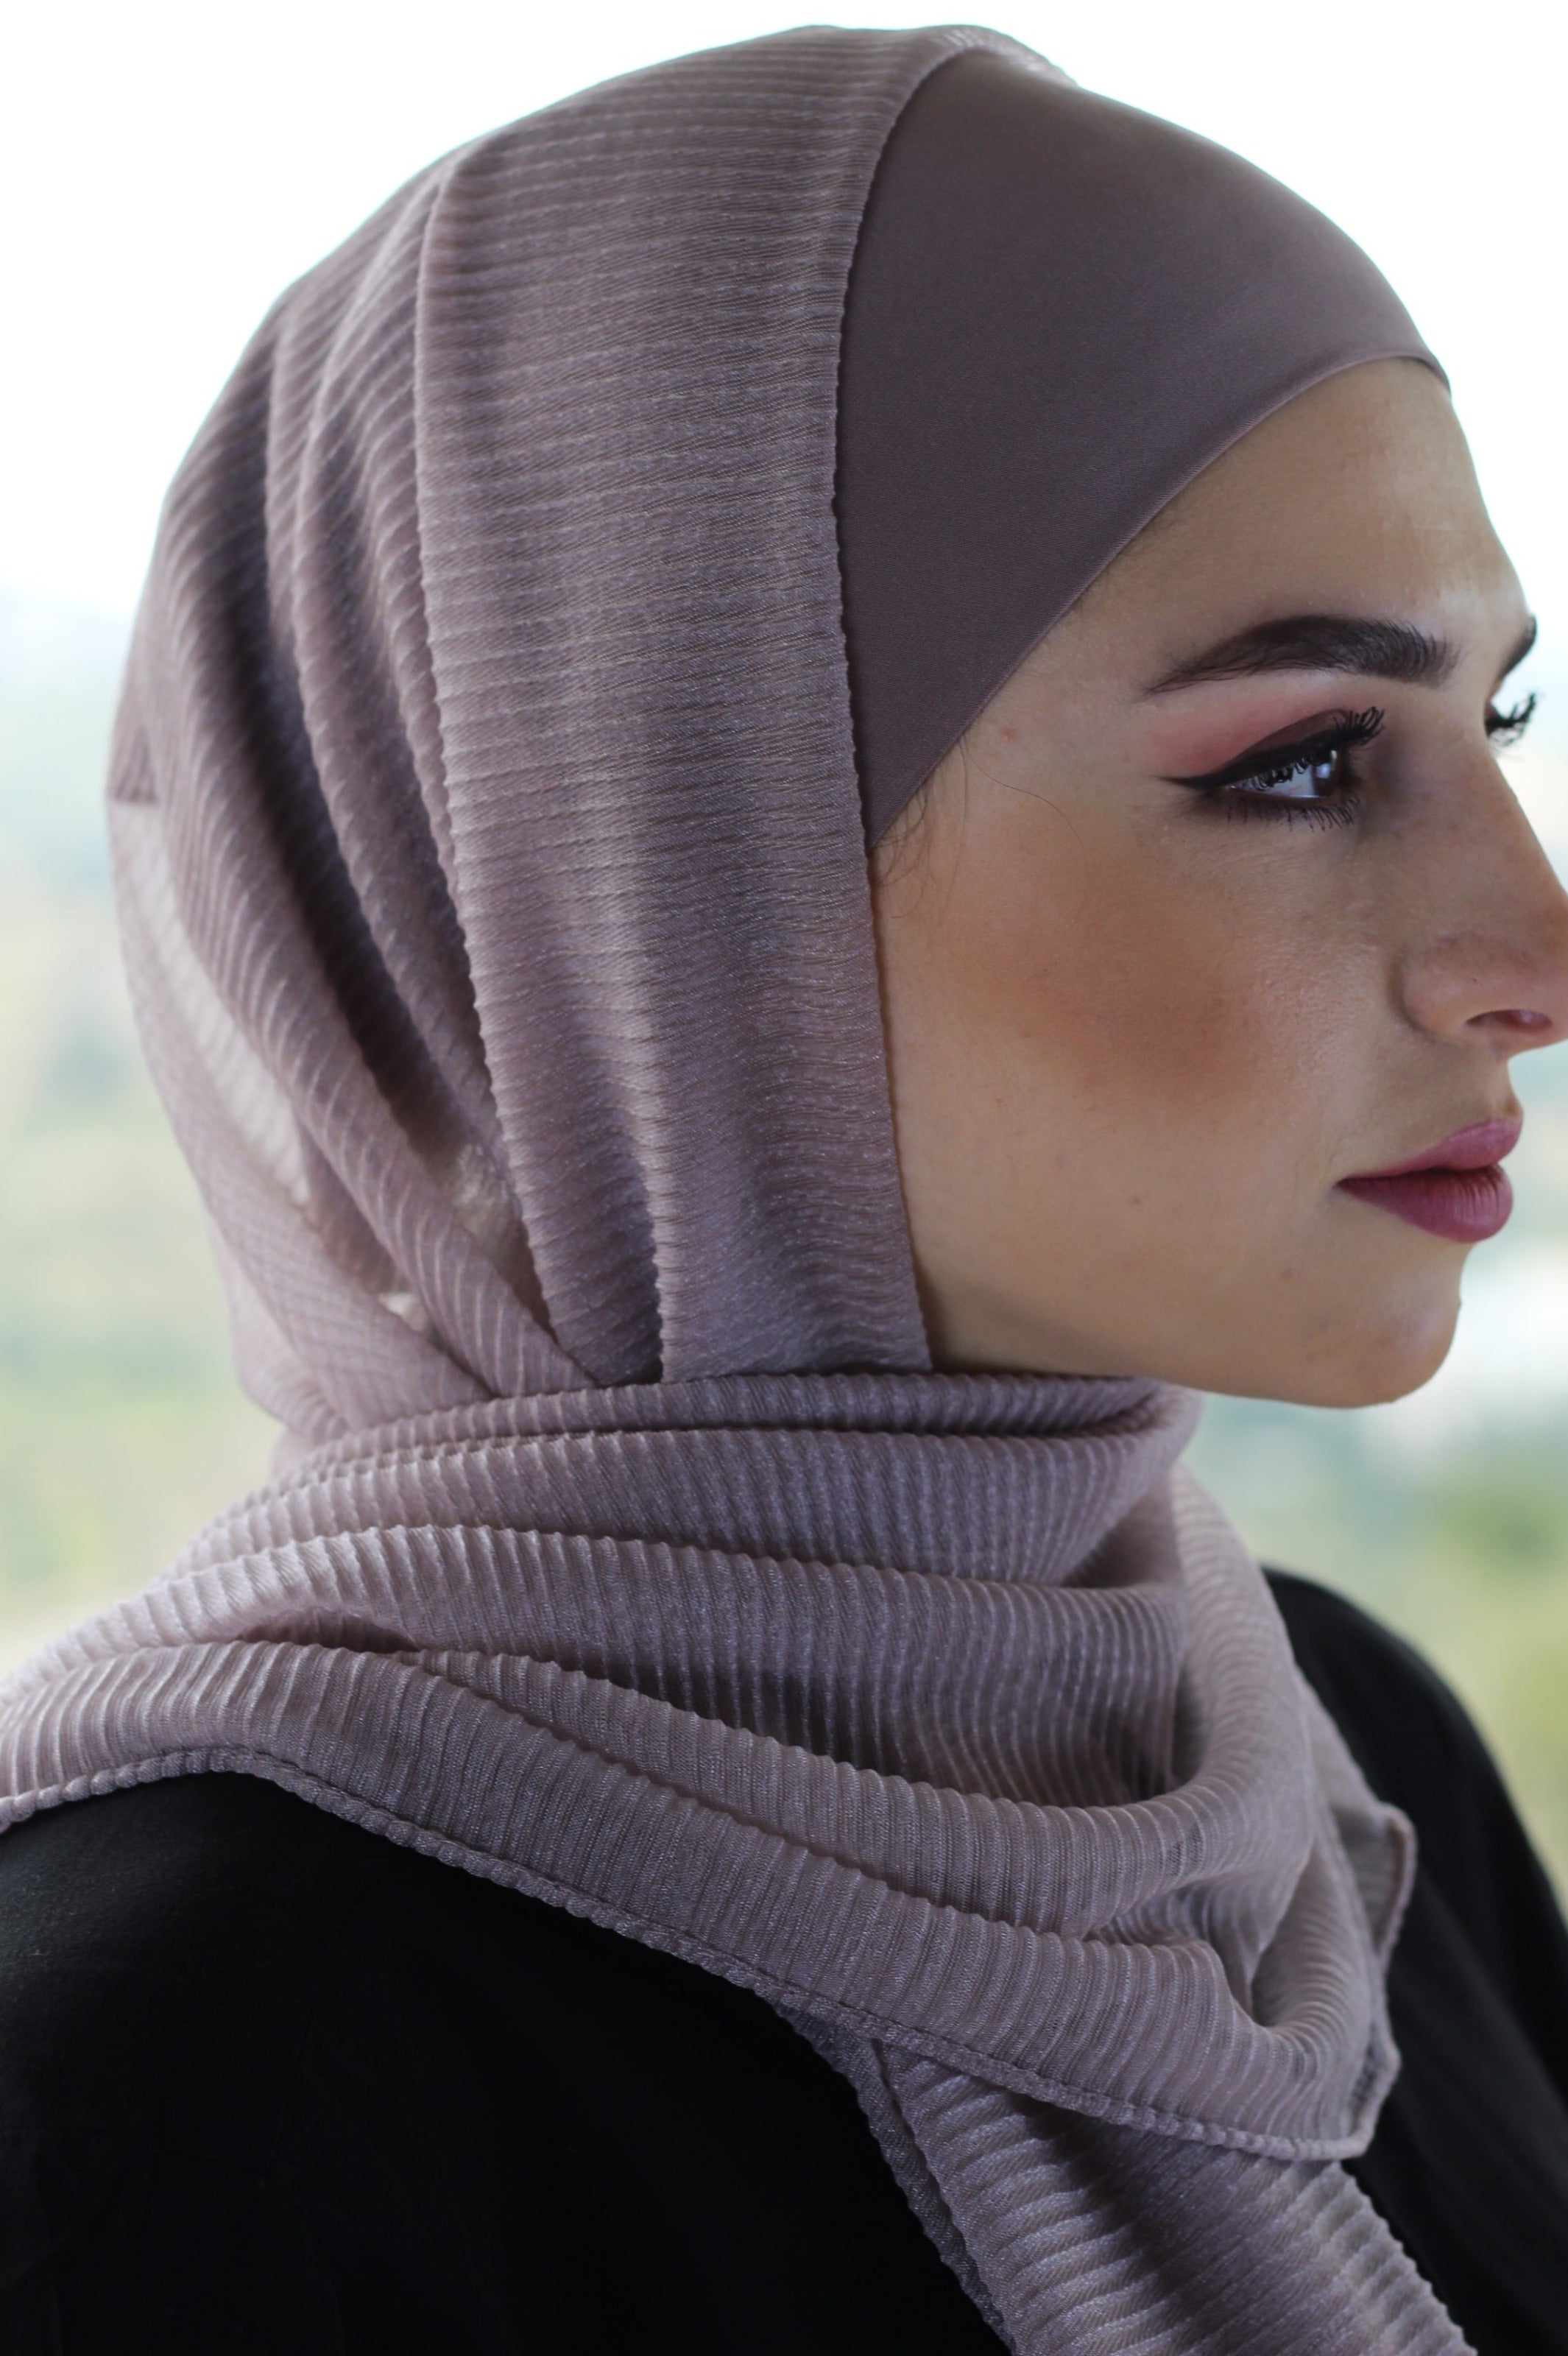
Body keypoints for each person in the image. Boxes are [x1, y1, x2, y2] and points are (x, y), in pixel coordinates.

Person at [0, 27, 1564, 2353]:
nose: (1531, 952)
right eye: (1306, 760)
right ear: (650, 884)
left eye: (1495, 719)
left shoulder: (1330, 1779)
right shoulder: (157, 2098)